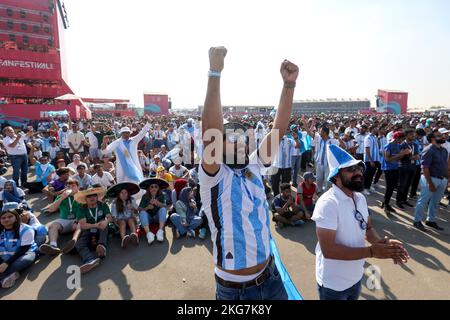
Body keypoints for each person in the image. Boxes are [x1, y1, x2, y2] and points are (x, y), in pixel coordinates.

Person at [199, 47, 299, 300]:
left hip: (272, 278)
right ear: (219, 145)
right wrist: (214, 72)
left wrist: (289, 85)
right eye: (233, 138)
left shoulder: (254, 165)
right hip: (237, 292)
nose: (242, 141)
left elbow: (279, 128)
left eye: (244, 137)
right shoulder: (214, 176)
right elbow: (210, 130)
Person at [312, 144, 409, 300]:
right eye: (351, 170)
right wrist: (371, 252)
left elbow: (368, 228)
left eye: (359, 169)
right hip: (333, 285)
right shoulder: (328, 204)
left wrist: (385, 246)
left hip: (355, 278)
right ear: (336, 176)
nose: (358, 173)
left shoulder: (360, 198)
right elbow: (329, 250)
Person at [413, 131, 448, 232]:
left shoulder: (443, 150)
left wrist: (446, 178)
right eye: (439, 136)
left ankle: (430, 220)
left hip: (442, 179)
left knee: (435, 202)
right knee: (423, 201)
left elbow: (445, 165)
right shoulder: (428, 150)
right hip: (431, 179)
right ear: (432, 139)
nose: (443, 137)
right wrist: (430, 183)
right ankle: (417, 220)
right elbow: (425, 168)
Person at [101, 116, 151, 184]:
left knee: (137, 183)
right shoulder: (117, 143)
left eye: (127, 132)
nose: (126, 134)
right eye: (124, 133)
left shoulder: (134, 140)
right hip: (122, 168)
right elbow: (104, 151)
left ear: (130, 133)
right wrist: (104, 142)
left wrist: (148, 123)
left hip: (134, 166)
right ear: (121, 134)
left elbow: (142, 132)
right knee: (122, 185)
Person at [39, 179, 82, 255]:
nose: (71, 188)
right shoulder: (61, 196)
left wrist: (77, 220)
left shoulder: (82, 196)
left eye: (73, 186)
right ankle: (53, 245)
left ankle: (73, 243)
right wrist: (62, 198)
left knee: (81, 225)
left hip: (77, 219)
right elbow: (51, 209)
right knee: (53, 226)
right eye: (68, 186)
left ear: (78, 187)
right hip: (64, 219)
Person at [74, 187, 111, 274]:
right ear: (85, 199)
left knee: (104, 225)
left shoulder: (102, 205)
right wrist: (95, 225)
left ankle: (101, 248)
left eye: (94, 195)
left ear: (97, 196)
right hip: (89, 230)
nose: (92, 197)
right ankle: (90, 260)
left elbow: (109, 217)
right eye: (89, 196)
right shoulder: (81, 208)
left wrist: (106, 221)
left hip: (102, 229)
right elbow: (83, 225)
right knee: (79, 244)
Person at [0, 208, 38, 289]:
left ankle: (3, 276)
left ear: (16, 217)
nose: (6, 219)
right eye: (3, 218)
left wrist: (6, 264)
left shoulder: (26, 229)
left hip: (24, 253)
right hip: (5, 258)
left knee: (24, 260)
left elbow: (23, 249)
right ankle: (8, 276)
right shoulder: (1, 231)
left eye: (10, 216)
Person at [381, 132, 408, 215]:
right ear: (397, 138)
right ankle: (386, 204)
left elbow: (399, 158)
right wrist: (400, 154)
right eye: (401, 139)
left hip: (396, 168)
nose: (402, 141)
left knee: (393, 186)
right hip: (388, 168)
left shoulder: (398, 146)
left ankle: (386, 202)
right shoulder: (388, 146)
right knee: (389, 187)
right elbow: (387, 159)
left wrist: (404, 154)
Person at [107, 182, 140, 248]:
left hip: (131, 220)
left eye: (125, 193)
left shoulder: (132, 200)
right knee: (122, 222)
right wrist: (116, 223)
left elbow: (137, 212)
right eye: (121, 193)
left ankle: (135, 236)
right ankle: (124, 239)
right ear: (118, 194)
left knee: (130, 220)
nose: (124, 194)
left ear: (128, 194)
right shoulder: (115, 203)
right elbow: (114, 217)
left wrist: (132, 208)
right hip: (120, 221)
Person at [138, 178, 168, 245]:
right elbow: (139, 209)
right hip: (149, 218)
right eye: (152, 186)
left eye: (156, 186)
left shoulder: (161, 195)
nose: (154, 188)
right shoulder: (145, 196)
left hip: (157, 218)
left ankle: (160, 231)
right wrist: (147, 208)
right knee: (142, 212)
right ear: (149, 188)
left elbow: (165, 206)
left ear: (158, 188)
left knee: (163, 209)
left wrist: (158, 203)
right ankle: (149, 234)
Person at [396, 128, 420, 209]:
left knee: (408, 184)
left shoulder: (415, 144)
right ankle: (398, 201)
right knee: (402, 185)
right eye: (411, 134)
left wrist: (413, 157)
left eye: (413, 134)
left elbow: (417, 155)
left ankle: (404, 200)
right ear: (406, 136)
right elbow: (399, 157)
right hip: (404, 167)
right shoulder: (402, 145)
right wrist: (406, 155)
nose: (413, 136)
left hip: (413, 167)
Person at [313, 126, 339, 194]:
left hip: (328, 164)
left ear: (324, 133)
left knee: (328, 180)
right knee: (318, 179)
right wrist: (304, 122)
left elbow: (343, 146)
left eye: (320, 131)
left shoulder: (333, 141)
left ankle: (326, 194)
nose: (319, 132)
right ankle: (319, 191)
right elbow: (309, 133)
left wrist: (338, 138)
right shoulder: (319, 138)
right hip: (319, 163)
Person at [362, 125, 381, 196]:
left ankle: (369, 186)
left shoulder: (374, 137)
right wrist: (371, 160)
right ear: (372, 129)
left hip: (375, 159)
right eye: (376, 128)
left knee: (372, 174)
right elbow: (367, 150)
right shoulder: (368, 138)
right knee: (367, 174)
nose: (377, 129)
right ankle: (364, 188)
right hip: (369, 160)